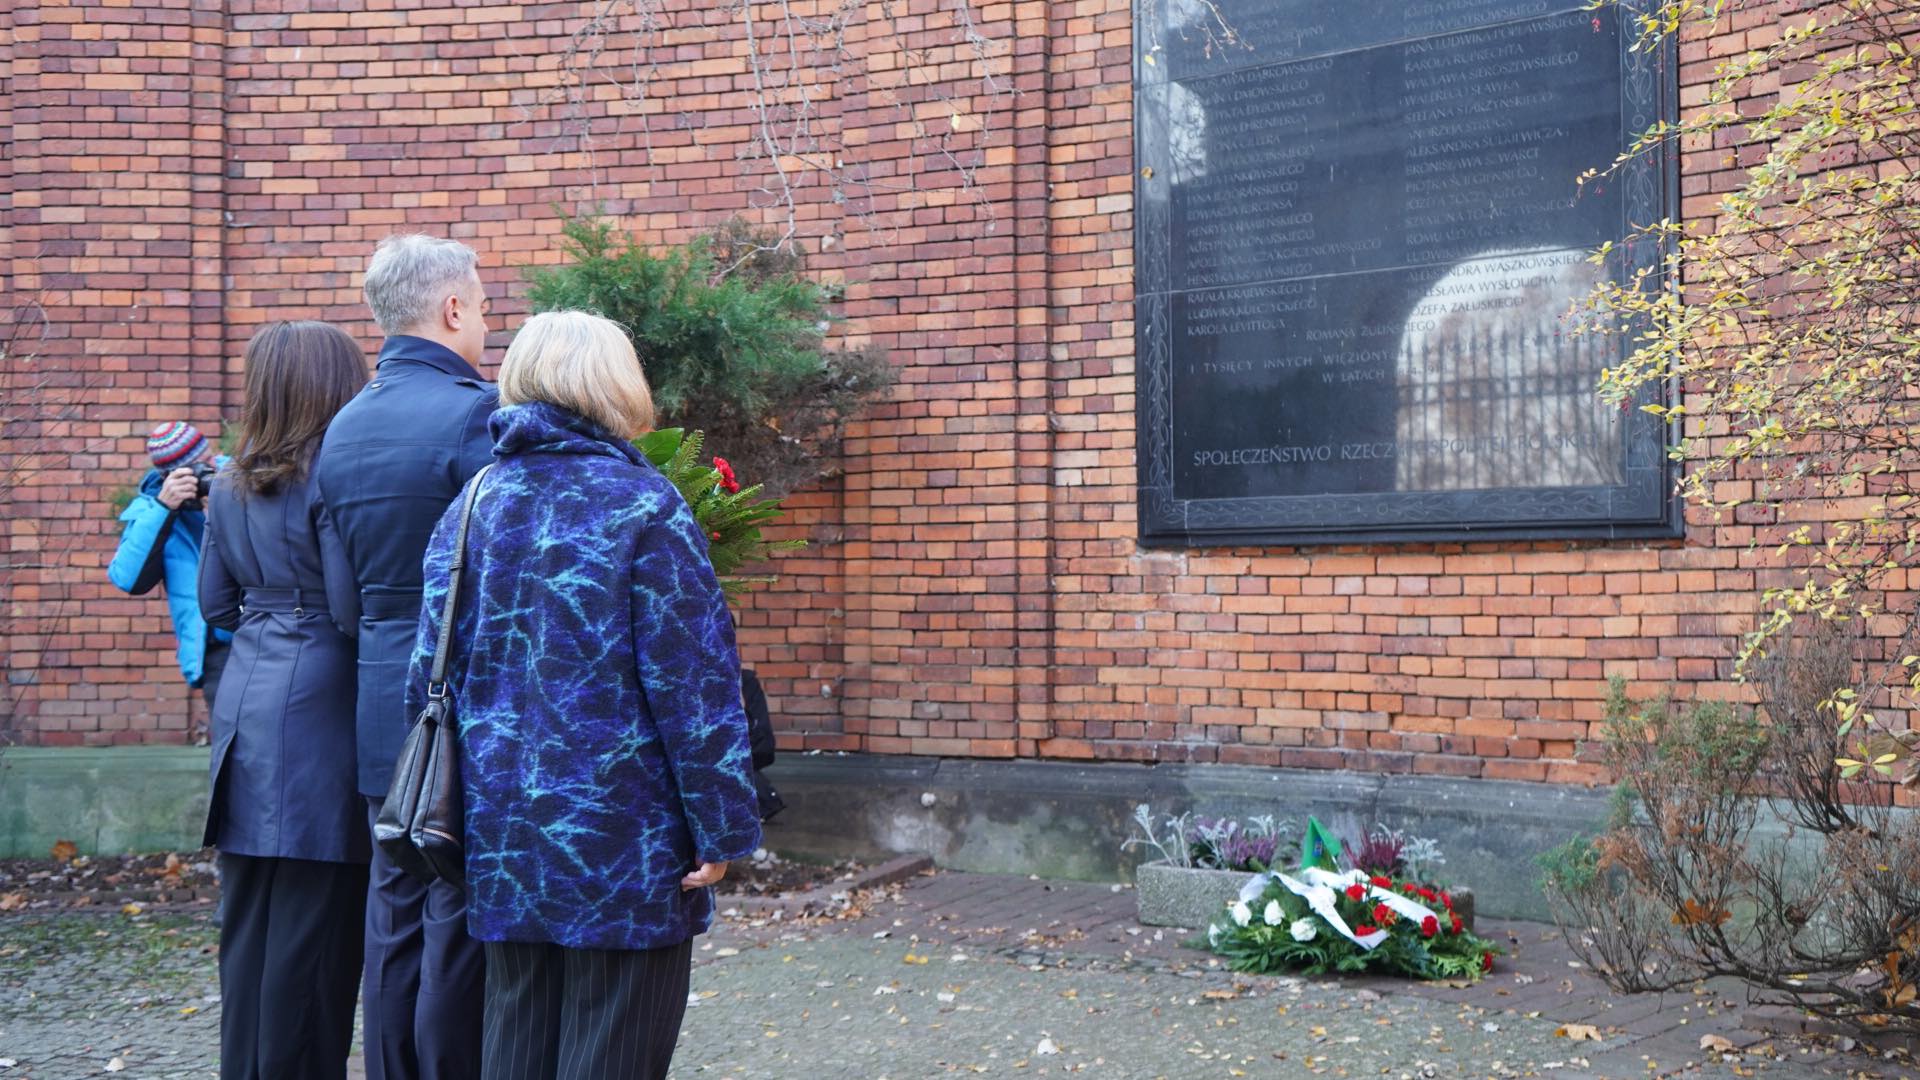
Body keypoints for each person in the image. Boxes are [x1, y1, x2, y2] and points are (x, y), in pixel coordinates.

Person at [410, 310, 762, 1080]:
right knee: (616, 1048)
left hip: (501, 828)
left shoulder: (472, 503)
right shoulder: (645, 506)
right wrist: (723, 828)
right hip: (624, 843)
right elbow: (694, 690)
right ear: (617, 384)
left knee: (514, 1044)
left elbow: (425, 678)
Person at [313, 234, 496, 1080]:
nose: (488, 323)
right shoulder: (474, 412)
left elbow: (341, 597)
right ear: (452, 308)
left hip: (378, 693)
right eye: (485, 304)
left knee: (391, 910)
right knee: (455, 909)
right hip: (463, 697)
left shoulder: (343, 426)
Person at [197, 321, 370, 1080]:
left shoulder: (227, 482)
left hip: (244, 701)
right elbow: (347, 606)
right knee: (316, 925)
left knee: (249, 922)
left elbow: (214, 605)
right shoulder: (332, 477)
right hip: (323, 705)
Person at [107, 422, 233, 714]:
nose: (206, 472)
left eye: (208, 460)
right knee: (233, 747)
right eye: (195, 470)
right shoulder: (154, 509)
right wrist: (165, 508)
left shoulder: (237, 481)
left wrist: (222, 506)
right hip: (217, 652)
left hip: (261, 637)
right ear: (169, 477)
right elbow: (127, 579)